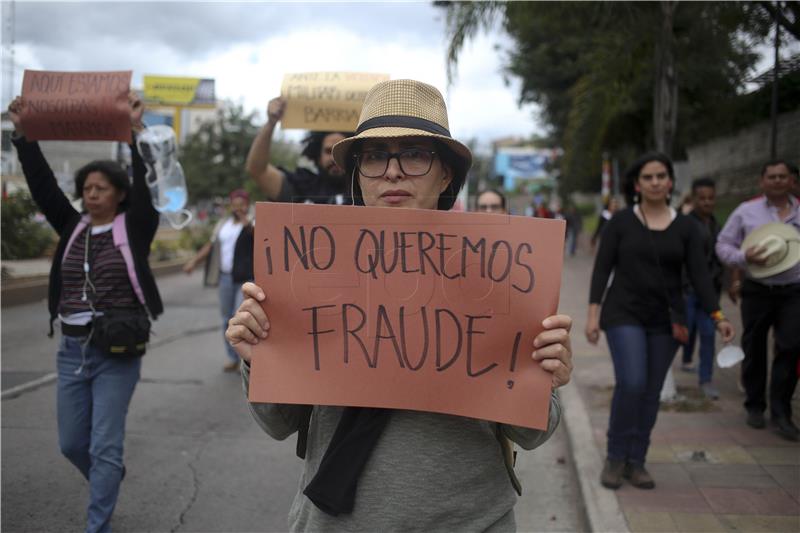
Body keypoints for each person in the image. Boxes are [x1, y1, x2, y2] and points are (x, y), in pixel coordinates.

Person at [226, 79, 574, 531]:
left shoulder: (499, 272)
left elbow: (532, 432)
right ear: (358, 174)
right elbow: (278, 423)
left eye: (414, 153)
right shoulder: (309, 269)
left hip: (470, 522)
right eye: (374, 156)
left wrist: (547, 375)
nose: (392, 171)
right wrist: (259, 358)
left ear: (446, 173)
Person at [8, 93, 163, 533]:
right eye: (86, 189)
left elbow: (147, 185)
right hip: (71, 351)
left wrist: (134, 132)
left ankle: (98, 523)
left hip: (117, 351)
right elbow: (41, 185)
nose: (91, 195)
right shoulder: (72, 225)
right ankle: (107, 475)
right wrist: (23, 136)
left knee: (105, 445)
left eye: (101, 189)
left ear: (119, 194)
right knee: (72, 443)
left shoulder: (134, 226)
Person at [586, 152, 734, 491]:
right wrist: (592, 316)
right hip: (623, 313)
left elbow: (700, 276)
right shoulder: (620, 222)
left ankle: (637, 461)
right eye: (648, 177)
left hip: (667, 319)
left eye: (661, 176)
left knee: (652, 392)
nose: (655, 182)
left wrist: (718, 316)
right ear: (637, 185)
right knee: (633, 382)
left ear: (670, 183)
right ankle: (615, 456)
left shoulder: (687, 228)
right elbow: (601, 270)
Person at [715, 159, 800, 441]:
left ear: (792, 181)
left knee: (789, 347)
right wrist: (743, 258)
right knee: (754, 344)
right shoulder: (746, 212)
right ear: (762, 182)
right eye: (771, 177)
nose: (777, 181)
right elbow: (723, 245)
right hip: (758, 289)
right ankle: (754, 405)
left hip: (793, 290)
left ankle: (781, 411)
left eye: (782, 176)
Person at [183, 189, 254, 372]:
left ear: (247, 204)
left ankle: (245, 359)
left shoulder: (252, 223)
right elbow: (210, 245)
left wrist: (246, 222)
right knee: (226, 318)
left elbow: (259, 238)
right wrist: (193, 261)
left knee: (240, 317)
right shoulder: (224, 224)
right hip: (225, 278)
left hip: (245, 279)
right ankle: (232, 357)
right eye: (235, 203)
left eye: (242, 203)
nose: (238, 207)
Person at [245, 96, 351, 205]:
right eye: (328, 151)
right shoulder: (302, 186)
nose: (334, 158)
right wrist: (271, 123)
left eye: (340, 151)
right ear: (318, 157)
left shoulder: (366, 190)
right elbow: (258, 170)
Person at [680, 178, 724, 399]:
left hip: (709, 294)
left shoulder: (717, 225)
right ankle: (662, 378)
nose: (707, 202)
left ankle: (705, 379)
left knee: (708, 334)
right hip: (687, 292)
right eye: (702, 198)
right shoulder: (683, 224)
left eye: (711, 198)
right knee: (682, 334)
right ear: (694, 199)